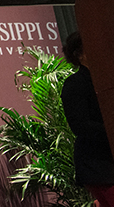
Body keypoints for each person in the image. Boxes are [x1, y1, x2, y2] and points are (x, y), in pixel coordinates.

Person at [61, 31, 114, 206]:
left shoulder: (106, 81)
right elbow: (80, 125)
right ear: (79, 54)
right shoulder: (75, 84)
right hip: (98, 165)